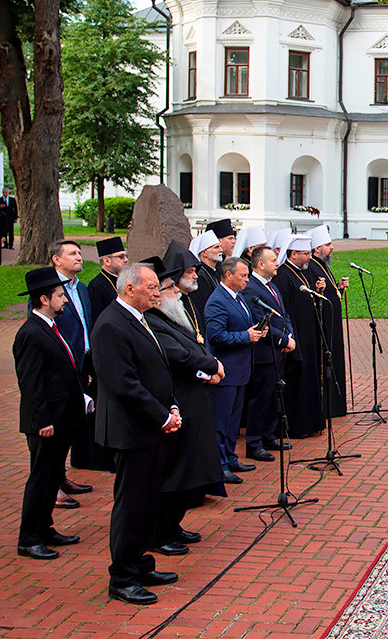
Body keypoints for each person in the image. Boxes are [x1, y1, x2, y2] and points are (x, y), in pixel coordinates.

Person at [91, 263, 183, 606]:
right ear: (130, 289)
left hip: (152, 426)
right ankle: (122, 577)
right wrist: (162, 416)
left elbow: (155, 370)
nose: (157, 293)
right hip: (130, 431)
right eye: (151, 288)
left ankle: (140, 562)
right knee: (130, 504)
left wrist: (171, 407)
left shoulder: (138, 318)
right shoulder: (111, 325)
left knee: (147, 501)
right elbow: (124, 384)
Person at [146, 261, 225, 556]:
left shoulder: (170, 315)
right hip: (177, 403)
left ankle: (174, 523)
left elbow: (194, 345)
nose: (175, 293)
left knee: (189, 466)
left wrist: (208, 367)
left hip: (195, 399)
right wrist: (211, 365)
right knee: (174, 469)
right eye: (167, 289)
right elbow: (176, 354)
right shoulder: (153, 320)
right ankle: (160, 530)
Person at [12, 268, 88, 560]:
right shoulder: (31, 333)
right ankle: (29, 537)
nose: (65, 301)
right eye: (60, 296)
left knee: (52, 475)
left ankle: (45, 528)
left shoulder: (50, 328)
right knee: (41, 479)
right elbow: (31, 383)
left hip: (62, 418)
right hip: (46, 421)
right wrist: (42, 420)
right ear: (44, 299)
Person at [47, 239, 109, 484]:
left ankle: (61, 477)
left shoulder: (81, 288)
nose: (79, 257)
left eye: (80, 253)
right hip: (62, 365)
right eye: (72, 253)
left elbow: (87, 323)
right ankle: (54, 483)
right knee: (59, 424)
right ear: (56, 259)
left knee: (73, 422)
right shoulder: (48, 287)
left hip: (83, 363)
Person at [205, 256, 265, 483]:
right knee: (221, 421)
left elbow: (240, 326)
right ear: (228, 275)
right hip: (226, 371)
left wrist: (255, 332)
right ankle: (220, 465)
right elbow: (216, 336)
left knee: (233, 420)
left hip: (241, 370)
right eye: (243, 276)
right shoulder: (217, 301)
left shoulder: (238, 298)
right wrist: (245, 336)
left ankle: (230, 457)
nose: (247, 280)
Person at [240, 245, 297, 461]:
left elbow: (283, 314)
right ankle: (254, 442)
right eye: (273, 260)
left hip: (279, 351)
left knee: (275, 396)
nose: (277, 263)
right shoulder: (251, 288)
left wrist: (289, 335)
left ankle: (269, 434)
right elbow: (259, 320)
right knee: (261, 398)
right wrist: (282, 340)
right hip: (264, 353)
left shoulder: (272, 286)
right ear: (261, 264)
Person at [272, 234, 322, 438]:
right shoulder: (283, 276)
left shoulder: (304, 272)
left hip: (308, 336)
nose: (310, 257)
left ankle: (310, 423)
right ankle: (295, 426)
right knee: (296, 381)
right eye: (306, 253)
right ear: (293, 254)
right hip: (294, 337)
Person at [308, 224, 349, 419]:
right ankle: (329, 406)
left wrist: (339, 289)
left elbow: (331, 296)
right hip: (324, 327)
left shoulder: (323, 265)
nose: (332, 248)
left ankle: (337, 406)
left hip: (333, 325)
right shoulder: (313, 268)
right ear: (317, 249)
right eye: (328, 244)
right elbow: (317, 297)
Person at [164, 239, 207, 345]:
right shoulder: (170, 303)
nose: (195, 276)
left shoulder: (188, 297)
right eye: (190, 272)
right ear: (178, 275)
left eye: (195, 271)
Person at [87, 237, 129, 321]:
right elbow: (97, 319)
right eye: (121, 257)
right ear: (107, 261)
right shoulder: (96, 286)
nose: (126, 260)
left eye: (126, 256)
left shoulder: (125, 280)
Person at [188, 230, 223, 328]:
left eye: (220, 246)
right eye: (216, 247)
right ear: (204, 253)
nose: (221, 250)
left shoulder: (215, 272)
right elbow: (202, 308)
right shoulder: (200, 276)